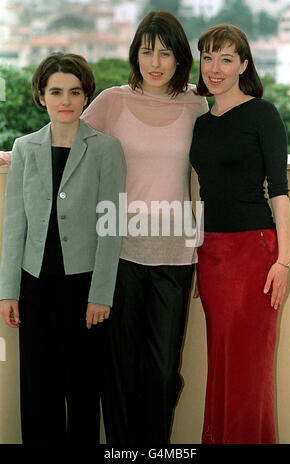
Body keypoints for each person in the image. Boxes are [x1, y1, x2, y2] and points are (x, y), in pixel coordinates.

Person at [81, 11, 208, 444]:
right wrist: (17, 155)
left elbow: (213, 169)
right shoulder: (114, 100)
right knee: (118, 366)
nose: (155, 61)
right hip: (119, 250)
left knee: (161, 370)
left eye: (166, 52)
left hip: (176, 255)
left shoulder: (196, 103)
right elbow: (67, 136)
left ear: (179, 58)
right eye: (147, 51)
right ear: (135, 55)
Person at [0, 52, 126, 444]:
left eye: (74, 91)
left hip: (85, 288)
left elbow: (112, 226)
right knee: (38, 390)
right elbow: (14, 224)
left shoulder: (106, 149)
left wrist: (101, 294)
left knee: (83, 390)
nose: (65, 100)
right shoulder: (24, 148)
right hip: (34, 284)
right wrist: (8, 291)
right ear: (41, 96)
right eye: (56, 91)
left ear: (87, 95)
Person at [189, 24, 290, 444]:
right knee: (222, 362)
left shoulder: (262, 114)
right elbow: (204, 194)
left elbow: (280, 191)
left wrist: (284, 261)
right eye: (208, 57)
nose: (215, 68)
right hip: (211, 255)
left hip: (255, 255)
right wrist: (197, 254)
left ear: (243, 65)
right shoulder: (200, 122)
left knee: (250, 368)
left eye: (226, 59)